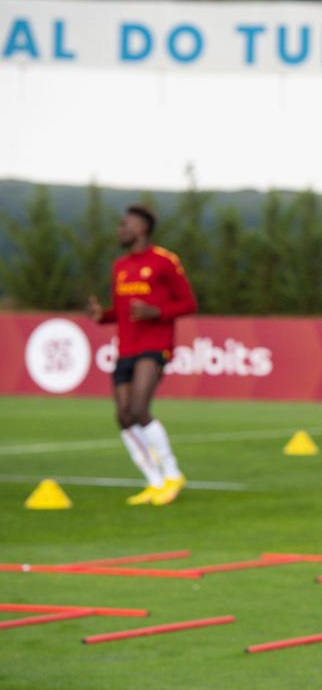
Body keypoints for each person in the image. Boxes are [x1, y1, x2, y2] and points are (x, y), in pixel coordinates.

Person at [87, 205, 197, 507]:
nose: (120, 230)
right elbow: (121, 312)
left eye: (126, 224)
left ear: (142, 228)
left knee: (138, 409)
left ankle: (172, 473)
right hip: (126, 347)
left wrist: (156, 312)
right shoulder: (120, 266)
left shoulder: (164, 261)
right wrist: (102, 315)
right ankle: (154, 481)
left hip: (154, 345)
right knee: (123, 416)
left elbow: (189, 303)